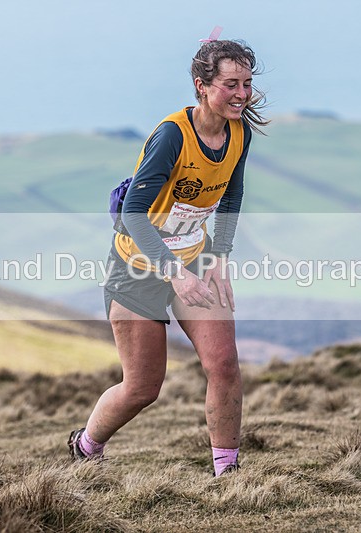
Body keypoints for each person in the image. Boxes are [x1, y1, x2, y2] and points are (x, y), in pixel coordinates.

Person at [68, 35, 268, 476]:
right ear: (202, 85)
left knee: (225, 365)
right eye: (230, 84)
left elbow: (232, 191)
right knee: (142, 387)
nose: (241, 94)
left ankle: (226, 472)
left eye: (247, 84)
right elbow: (134, 216)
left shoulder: (239, 132)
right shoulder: (171, 136)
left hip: (194, 258)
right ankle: (85, 447)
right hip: (136, 267)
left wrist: (220, 255)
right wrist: (175, 273)